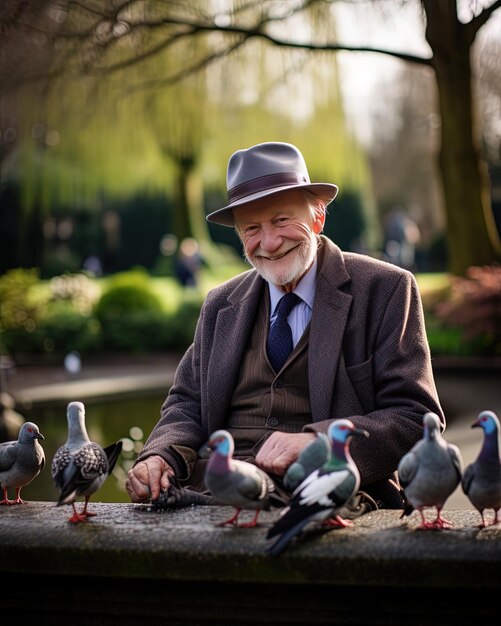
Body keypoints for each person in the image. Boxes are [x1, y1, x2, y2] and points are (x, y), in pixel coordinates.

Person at [126, 141, 444, 510]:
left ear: (317, 217)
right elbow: (186, 403)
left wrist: (320, 443)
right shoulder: (219, 304)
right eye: (252, 229)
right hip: (209, 491)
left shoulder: (385, 289)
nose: (270, 243)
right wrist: (161, 455)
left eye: (281, 220)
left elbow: (415, 418)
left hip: (321, 494)